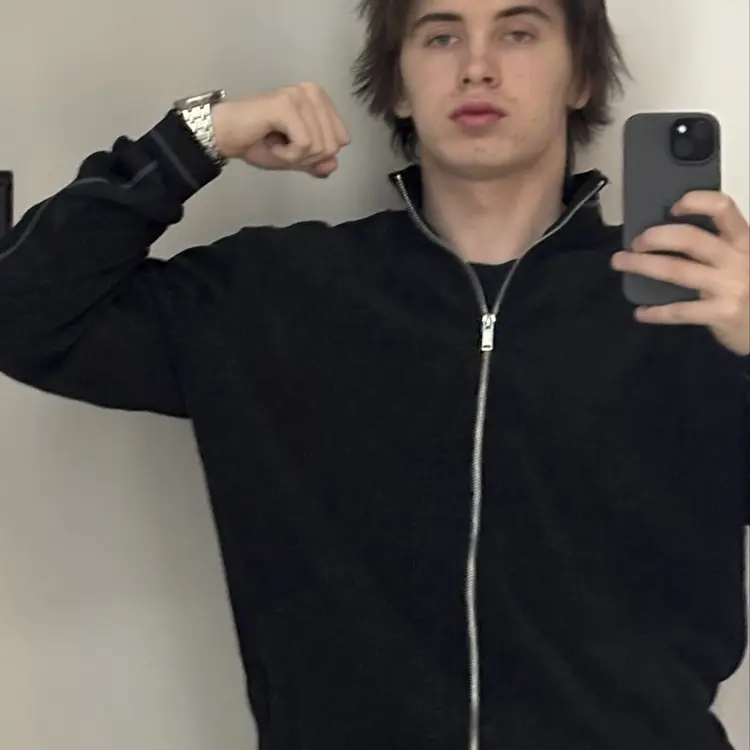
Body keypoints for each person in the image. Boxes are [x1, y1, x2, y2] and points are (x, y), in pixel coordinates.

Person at [0, 0, 748, 748]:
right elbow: (22, 315)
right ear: (397, 84)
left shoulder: (698, 305)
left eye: (518, 33)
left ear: (580, 76)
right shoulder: (274, 295)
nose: (477, 65)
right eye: (441, 35)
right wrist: (197, 138)